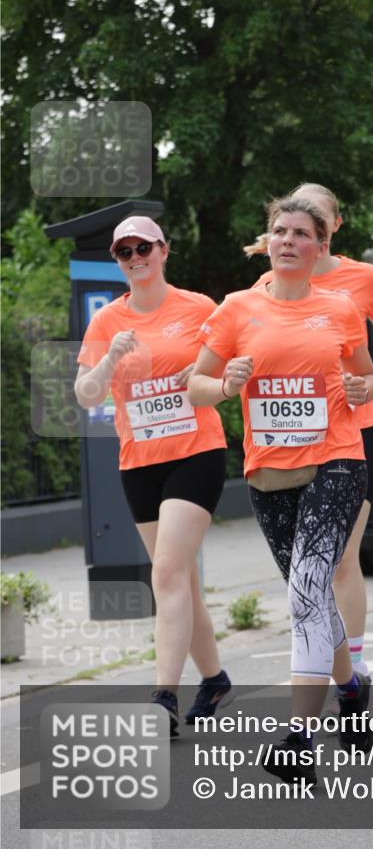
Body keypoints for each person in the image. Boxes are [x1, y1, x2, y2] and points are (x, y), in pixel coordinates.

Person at [188, 196, 373, 786]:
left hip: (338, 461)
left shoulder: (342, 307)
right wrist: (224, 385)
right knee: (313, 598)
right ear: (266, 241)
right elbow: (193, 387)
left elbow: (369, 379)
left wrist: (359, 387)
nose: (290, 240)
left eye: (302, 233)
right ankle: (350, 688)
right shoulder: (236, 308)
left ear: (321, 247)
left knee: (306, 588)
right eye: (280, 231)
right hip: (269, 470)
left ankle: (298, 740)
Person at [253, 182, 373, 680]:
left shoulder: (361, 277)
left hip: (356, 434)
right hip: (292, 444)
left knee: (343, 556)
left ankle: (355, 665)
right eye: (288, 223)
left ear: (330, 229)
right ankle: (335, 667)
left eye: (314, 220)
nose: (301, 231)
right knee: (308, 570)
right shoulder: (268, 284)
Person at [74, 216, 231, 737]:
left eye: (144, 247)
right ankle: (214, 677)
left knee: (164, 574)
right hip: (139, 463)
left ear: (164, 250)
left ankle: (164, 695)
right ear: (117, 260)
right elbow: (86, 394)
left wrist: (205, 375)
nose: (135, 257)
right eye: (125, 251)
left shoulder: (198, 308)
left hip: (196, 453)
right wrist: (108, 361)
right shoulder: (106, 324)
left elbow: (228, 370)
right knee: (181, 581)